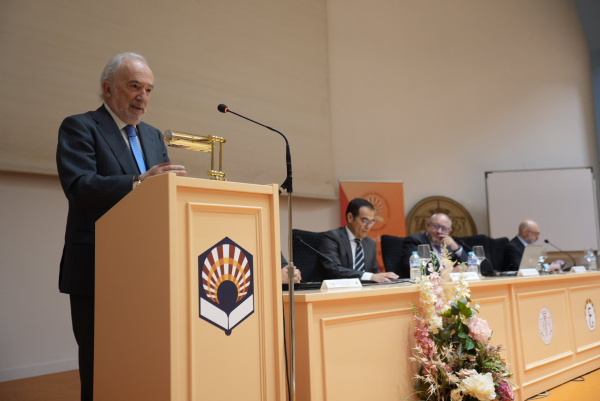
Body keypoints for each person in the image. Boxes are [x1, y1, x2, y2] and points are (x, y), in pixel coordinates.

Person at [56, 53, 186, 401]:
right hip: (98, 267)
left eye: (148, 89)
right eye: (134, 86)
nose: (142, 96)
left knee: (142, 361)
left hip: (148, 269)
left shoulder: (155, 136)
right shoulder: (80, 127)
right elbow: (80, 186)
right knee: (101, 367)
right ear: (108, 88)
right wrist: (139, 183)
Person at [317, 198, 399, 282]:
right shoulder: (332, 238)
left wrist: (383, 278)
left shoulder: (370, 244)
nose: (368, 226)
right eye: (365, 220)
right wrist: (370, 276)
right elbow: (334, 270)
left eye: (371, 222)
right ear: (350, 217)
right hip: (336, 292)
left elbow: (374, 273)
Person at [401, 213, 468, 277]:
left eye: (444, 228)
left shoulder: (449, 244)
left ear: (449, 231)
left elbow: (468, 266)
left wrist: (457, 249)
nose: (439, 231)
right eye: (436, 226)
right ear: (428, 225)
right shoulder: (415, 241)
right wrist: (448, 275)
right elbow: (417, 270)